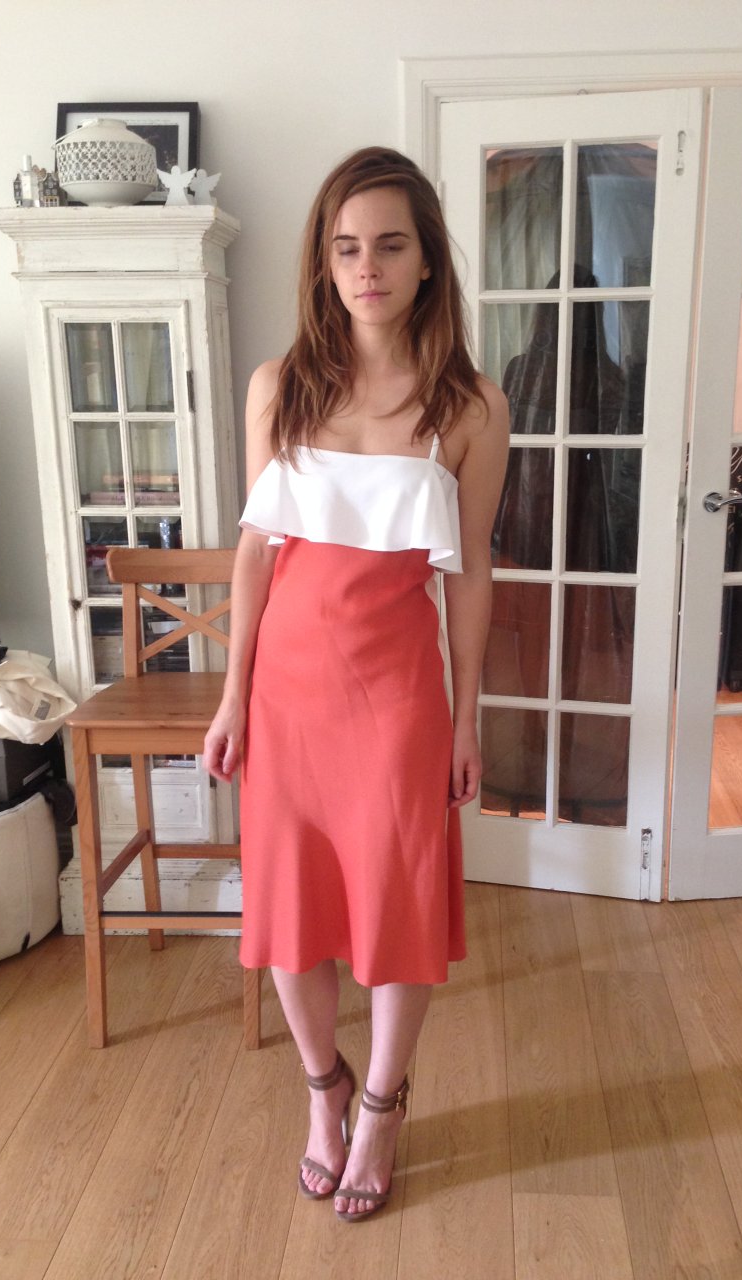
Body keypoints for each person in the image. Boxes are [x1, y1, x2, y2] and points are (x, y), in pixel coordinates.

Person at [203, 146, 509, 1223]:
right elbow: (256, 550)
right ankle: (322, 1092)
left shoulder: (472, 407)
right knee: (290, 908)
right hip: (284, 694)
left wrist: (468, 718)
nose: (365, 267)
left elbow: (471, 571)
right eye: (345, 248)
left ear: (426, 262)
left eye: (388, 244)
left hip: (397, 696)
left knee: (397, 902)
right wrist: (232, 695)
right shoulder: (278, 387)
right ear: (323, 264)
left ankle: (382, 1106)